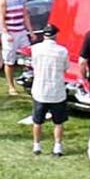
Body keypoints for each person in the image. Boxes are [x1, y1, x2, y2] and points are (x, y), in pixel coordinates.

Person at [31, 24, 70, 157]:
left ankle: (37, 145)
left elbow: (33, 65)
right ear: (55, 35)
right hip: (56, 90)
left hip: (40, 90)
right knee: (58, 122)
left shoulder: (35, 49)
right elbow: (66, 68)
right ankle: (57, 146)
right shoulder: (62, 51)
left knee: (37, 121)